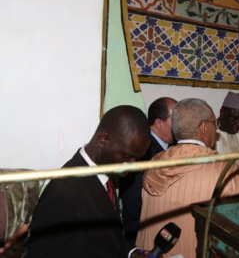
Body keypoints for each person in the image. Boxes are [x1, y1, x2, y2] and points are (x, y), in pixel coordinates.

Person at [26, 105, 151, 258]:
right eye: (127, 157)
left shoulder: (105, 175)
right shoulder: (63, 196)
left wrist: (132, 253)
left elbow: (106, 237)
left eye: (137, 159)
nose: (132, 166)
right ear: (103, 140)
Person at [136, 98, 239, 258]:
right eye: (213, 123)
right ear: (203, 127)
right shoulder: (226, 172)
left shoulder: (154, 162)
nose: (215, 129)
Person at [119, 97, 177, 245]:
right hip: (142, 237)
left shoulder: (173, 148)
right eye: (175, 120)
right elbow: (135, 205)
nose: (179, 125)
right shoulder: (142, 152)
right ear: (158, 123)